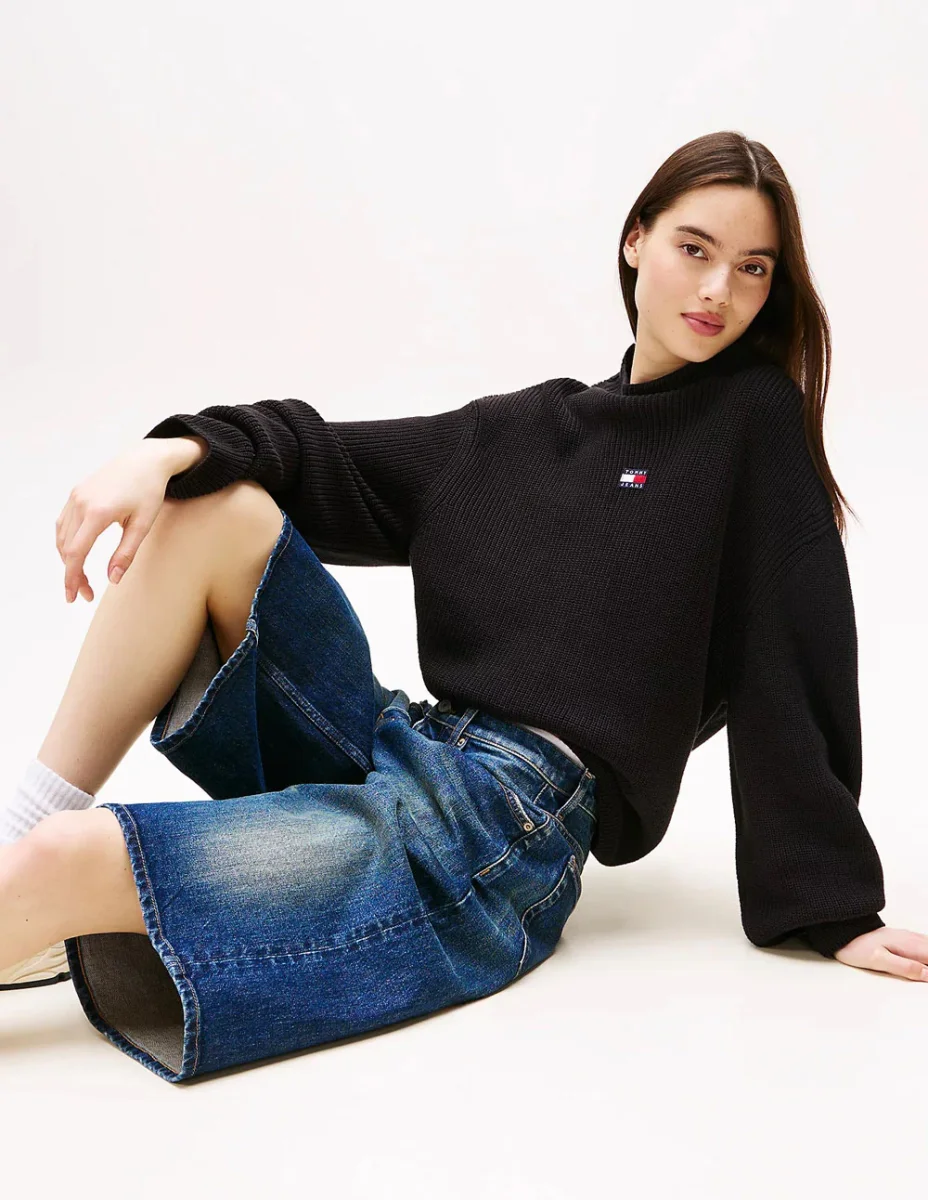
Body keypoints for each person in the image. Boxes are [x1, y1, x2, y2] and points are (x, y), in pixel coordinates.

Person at [3, 130, 926, 1082]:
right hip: (401, 744)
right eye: (695, 249)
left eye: (753, 268)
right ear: (635, 240)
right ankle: (20, 832)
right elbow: (316, 453)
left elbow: (796, 654)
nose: (718, 291)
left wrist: (831, 908)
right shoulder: (525, 430)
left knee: (65, 865)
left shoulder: (751, 423)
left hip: (500, 824)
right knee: (208, 499)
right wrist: (159, 453)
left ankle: (26, 879)